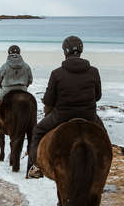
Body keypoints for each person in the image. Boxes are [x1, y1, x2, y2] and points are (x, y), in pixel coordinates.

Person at [27, 36, 104, 178]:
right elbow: (98, 96)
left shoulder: (57, 73)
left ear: (65, 52)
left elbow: (49, 100)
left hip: (62, 116)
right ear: (81, 50)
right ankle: (105, 165)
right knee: (104, 138)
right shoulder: (94, 71)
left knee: (38, 131)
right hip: (89, 115)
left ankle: (36, 166)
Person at [0, 45, 33, 132]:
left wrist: (0, 87)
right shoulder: (26, 66)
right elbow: (30, 80)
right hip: (22, 89)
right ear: (19, 53)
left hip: (7, 90)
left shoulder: (5, 66)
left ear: (9, 53)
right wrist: (24, 86)